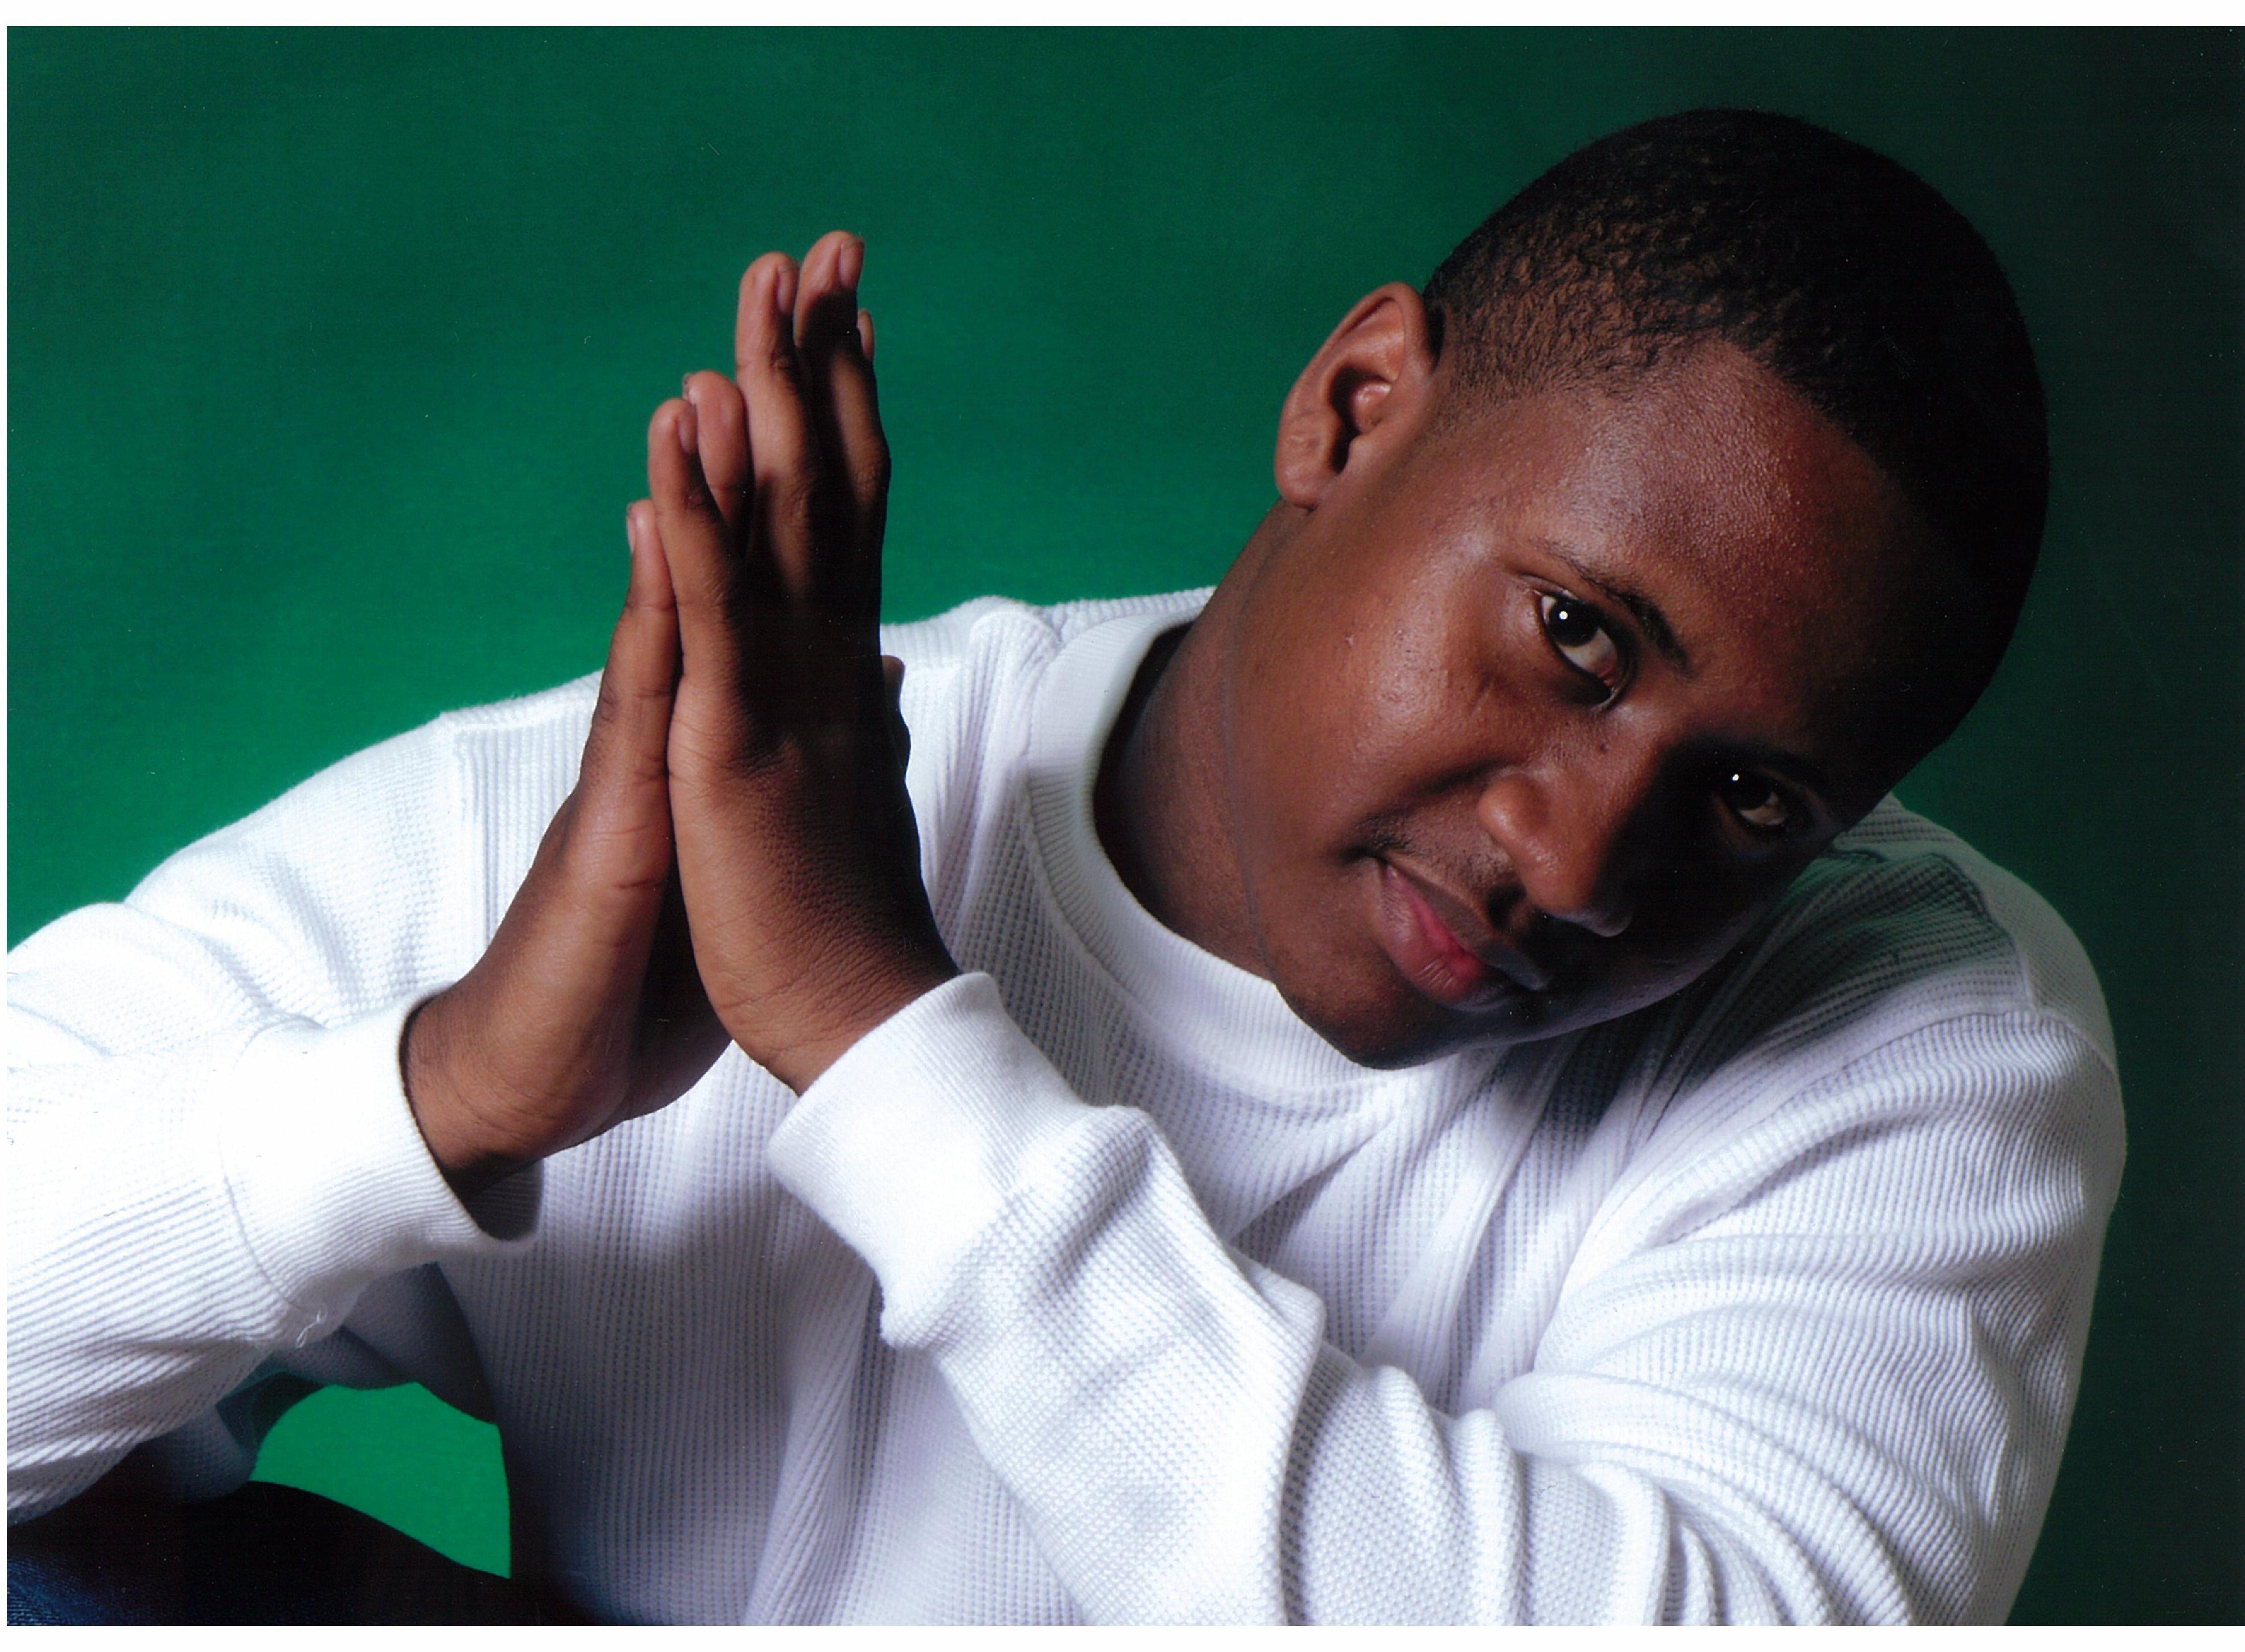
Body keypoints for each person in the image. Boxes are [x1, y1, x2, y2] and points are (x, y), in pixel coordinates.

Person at [6, 109, 2122, 1624]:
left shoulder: (1919, 1038)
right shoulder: (654, 832)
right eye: (1571, 634)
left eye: (1750, 800)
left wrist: (875, 1039)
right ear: (1351, 407)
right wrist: (448, 1090)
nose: (1577, 863)